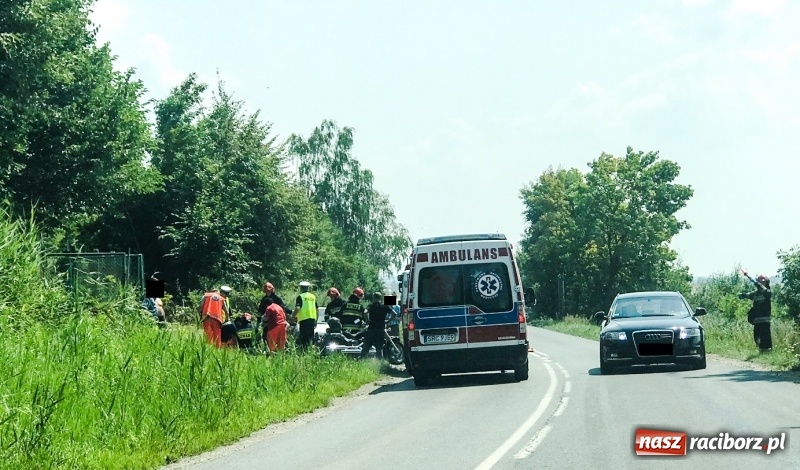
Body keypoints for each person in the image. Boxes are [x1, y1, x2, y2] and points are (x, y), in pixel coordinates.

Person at [739, 274, 773, 352]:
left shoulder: (767, 293)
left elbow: (761, 288)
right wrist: (742, 295)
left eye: (763, 282)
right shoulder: (755, 294)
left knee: (766, 338)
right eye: (761, 282)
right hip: (757, 320)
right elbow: (748, 295)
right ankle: (761, 351)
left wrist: (749, 277)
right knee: (757, 338)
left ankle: (768, 352)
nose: (762, 284)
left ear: (767, 283)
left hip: (765, 320)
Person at [360, 292, 395, 360]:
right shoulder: (384, 306)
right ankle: (379, 362)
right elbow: (394, 313)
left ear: (373, 297)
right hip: (381, 329)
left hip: (371, 329)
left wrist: (367, 320)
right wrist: (388, 321)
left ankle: (362, 360)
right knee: (379, 348)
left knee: (366, 346)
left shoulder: (371, 306)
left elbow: (365, 312)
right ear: (380, 298)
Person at [293, 281, 318, 351]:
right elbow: (317, 309)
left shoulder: (300, 297)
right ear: (308, 288)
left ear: (301, 288)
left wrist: (293, 316)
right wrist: (316, 320)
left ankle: (304, 352)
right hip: (312, 319)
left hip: (304, 320)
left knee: (304, 338)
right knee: (310, 337)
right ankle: (310, 351)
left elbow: (297, 308)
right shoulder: (313, 297)